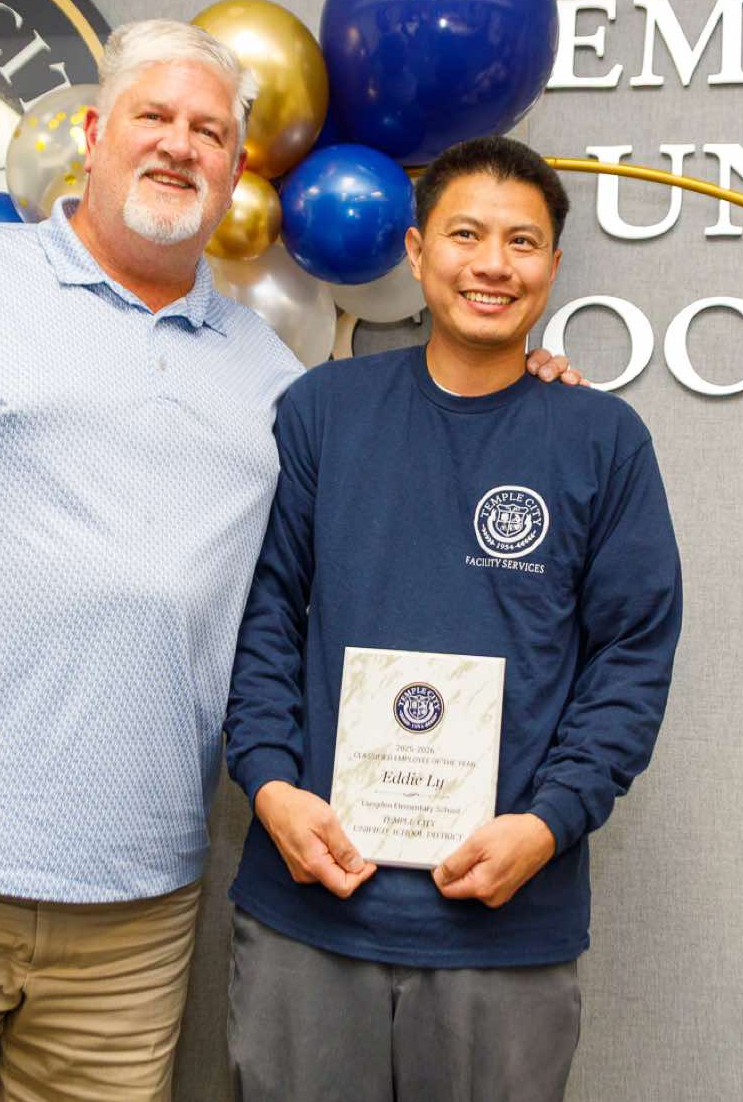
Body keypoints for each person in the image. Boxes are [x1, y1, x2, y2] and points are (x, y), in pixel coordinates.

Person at [0, 19, 578, 1101]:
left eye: (210, 132)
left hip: (132, 913)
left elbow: (384, 515)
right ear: (95, 135)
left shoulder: (267, 375)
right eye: (154, 116)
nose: (179, 145)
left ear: (234, 172)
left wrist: (525, 401)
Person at [222, 135, 684, 1102]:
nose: (492, 264)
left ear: (552, 266)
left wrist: (549, 823)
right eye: (466, 234)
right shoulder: (322, 411)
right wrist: (269, 785)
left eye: (522, 242)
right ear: (417, 249)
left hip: (506, 926)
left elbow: (631, 657)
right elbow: (261, 616)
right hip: (311, 906)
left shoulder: (601, 439)